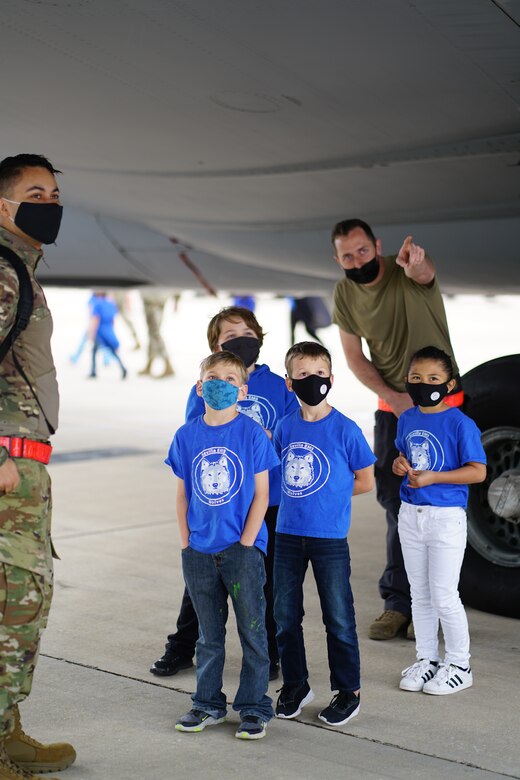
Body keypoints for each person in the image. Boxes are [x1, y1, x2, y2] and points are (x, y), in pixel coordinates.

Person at [150, 306, 299, 681]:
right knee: (201, 585)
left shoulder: (278, 386)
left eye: (247, 333)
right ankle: (183, 647)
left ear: (260, 338)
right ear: (215, 346)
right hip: (218, 504)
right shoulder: (207, 387)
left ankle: (270, 654)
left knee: (261, 582)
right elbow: (193, 437)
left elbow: (292, 433)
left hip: (268, 501)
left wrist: (268, 440)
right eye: (230, 337)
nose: (241, 341)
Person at [331, 218, 462, 641]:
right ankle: (397, 605)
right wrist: (394, 396)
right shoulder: (344, 293)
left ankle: (439, 606)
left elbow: (425, 276)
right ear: (338, 258)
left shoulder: (407, 269)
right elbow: (353, 357)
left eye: (362, 251)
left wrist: (418, 268)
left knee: (443, 507)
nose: (356, 261)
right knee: (397, 502)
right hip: (394, 407)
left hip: (444, 407)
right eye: (347, 256)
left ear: (377, 246)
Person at [0, 154, 76, 778]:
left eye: (53, 192)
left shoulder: (20, 269)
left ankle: (7, 731)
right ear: (4, 206)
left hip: (27, 467)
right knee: (9, 606)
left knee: (26, 601)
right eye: (33, 192)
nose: (49, 202)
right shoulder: (1, 271)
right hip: (6, 464)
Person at [167, 351, 278, 740]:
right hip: (198, 550)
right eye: (214, 377)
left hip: (240, 550)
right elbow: (182, 495)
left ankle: (253, 706)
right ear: (201, 387)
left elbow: (262, 495)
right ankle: (207, 703)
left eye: (231, 379)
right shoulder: (186, 435)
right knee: (208, 636)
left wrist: (247, 543)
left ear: (242, 391)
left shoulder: (251, 434)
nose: (222, 384)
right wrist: (186, 541)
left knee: (252, 631)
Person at [273, 342, 375, 726]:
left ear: (331, 379)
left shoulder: (345, 429)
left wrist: (328, 490)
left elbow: (365, 480)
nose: (311, 381)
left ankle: (349, 690)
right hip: (287, 534)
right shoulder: (285, 426)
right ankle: (296, 684)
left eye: (318, 374)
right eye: (302, 375)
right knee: (284, 615)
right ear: (289, 382)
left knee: (338, 617)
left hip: (329, 538)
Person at [393, 347, 486, 695]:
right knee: (420, 593)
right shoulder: (407, 418)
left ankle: (460, 664)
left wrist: (435, 478)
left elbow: (478, 472)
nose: (424, 384)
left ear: (449, 384)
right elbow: (403, 456)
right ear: (407, 381)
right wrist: (399, 465)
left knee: (445, 594)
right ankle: (427, 659)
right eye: (416, 378)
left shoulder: (460, 423)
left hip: (445, 519)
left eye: (433, 379)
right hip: (410, 514)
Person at [88, 291, 127, 379]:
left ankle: (93, 371)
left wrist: (92, 333)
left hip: (100, 331)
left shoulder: (97, 304)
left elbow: (95, 319)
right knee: (112, 350)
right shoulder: (111, 303)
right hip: (108, 329)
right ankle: (123, 368)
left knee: (94, 351)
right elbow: (113, 319)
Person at [138, 289, 175, 379]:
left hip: (154, 300)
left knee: (155, 333)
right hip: (154, 299)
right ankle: (150, 362)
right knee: (151, 332)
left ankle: (167, 364)